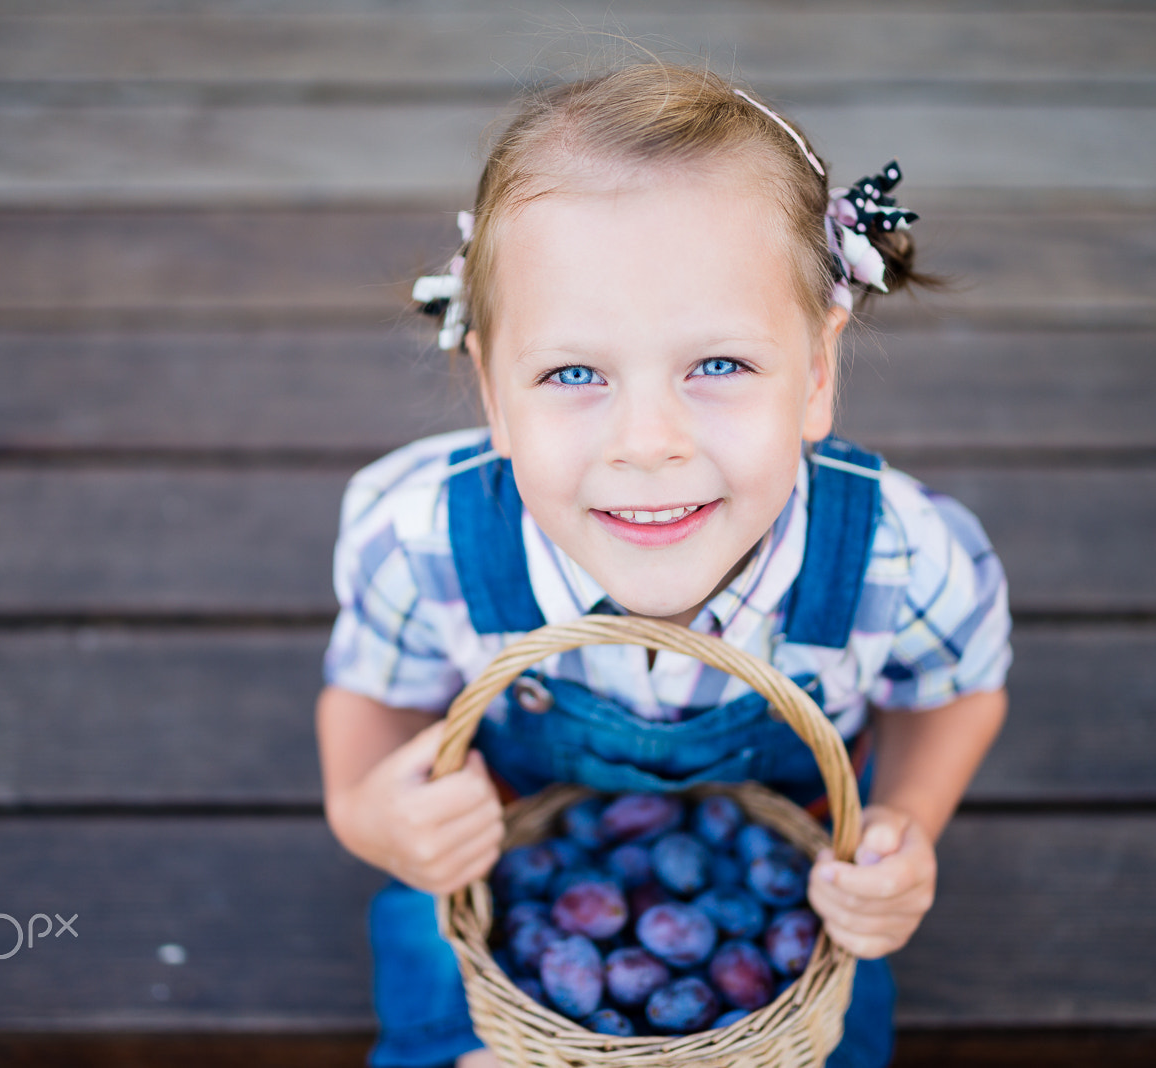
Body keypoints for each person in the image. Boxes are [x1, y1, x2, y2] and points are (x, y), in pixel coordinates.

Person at [316, 62, 1010, 1068]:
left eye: (717, 366)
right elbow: (369, 695)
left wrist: (903, 825)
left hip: (791, 879)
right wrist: (366, 811)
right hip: (508, 865)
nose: (648, 440)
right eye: (573, 373)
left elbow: (958, 693)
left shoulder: (900, 560)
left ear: (816, 373)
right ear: (494, 395)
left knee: (840, 1024)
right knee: (430, 963)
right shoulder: (424, 541)